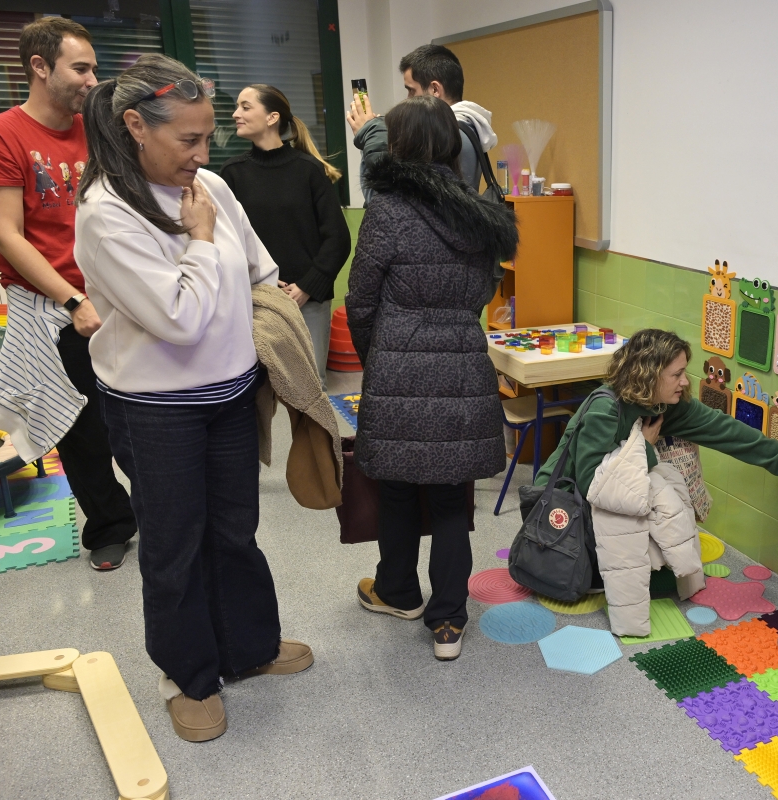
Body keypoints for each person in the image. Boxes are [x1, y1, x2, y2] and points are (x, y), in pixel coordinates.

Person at [75, 53, 313, 743]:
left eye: (209, 136)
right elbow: (179, 320)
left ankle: (248, 647)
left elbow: (261, 269)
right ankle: (188, 677)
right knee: (174, 544)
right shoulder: (106, 212)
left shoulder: (210, 186)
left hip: (230, 395)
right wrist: (203, 241)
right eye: (188, 139)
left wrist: (242, 305)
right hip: (156, 409)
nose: (203, 154)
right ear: (135, 126)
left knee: (235, 531)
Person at [346, 95, 517, 661]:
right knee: (450, 499)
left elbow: (361, 300)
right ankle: (448, 621)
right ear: (449, 145)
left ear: (396, 145)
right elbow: (483, 293)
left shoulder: (387, 210)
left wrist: (380, 359)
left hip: (398, 361)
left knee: (396, 487)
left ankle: (397, 592)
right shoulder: (482, 215)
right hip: (463, 360)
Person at [0, 17, 137, 571]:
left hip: (117, 297)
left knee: (137, 417)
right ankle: (110, 526)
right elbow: (7, 234)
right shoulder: (0, 135)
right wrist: (72, 300)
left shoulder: (99, 128)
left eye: (94, 68)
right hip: (57, 309)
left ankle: (162, 511)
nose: (92, 80)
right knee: (81, 429)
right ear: (40, 67)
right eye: (80, 68)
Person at [534, 329, 778, 631]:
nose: (685, 381)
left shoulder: (663, 405)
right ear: (649, 376)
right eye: (676, 375)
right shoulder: (606, 409)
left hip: (609, 499)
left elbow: (723, 429)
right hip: (561, 508)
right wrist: (644, 448)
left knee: (665, 554)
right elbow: (593, 485)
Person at [222, 84, 351, 390]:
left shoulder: (309, 170)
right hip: (255, 299)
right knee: (256, 391)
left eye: (245, 106)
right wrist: (257, 282)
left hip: (308, 301)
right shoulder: (232, 173)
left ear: (272, 117)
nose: (236, 113)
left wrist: (306, 287)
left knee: (309, 391)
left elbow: (337, 239)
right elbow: (226, 242)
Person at [346, 44, 497, 203]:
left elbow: (390, 203)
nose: (408, 99)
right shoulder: (469, 126)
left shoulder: (443, 137)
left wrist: (369, 136)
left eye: (411, 90)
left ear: (435, 90)